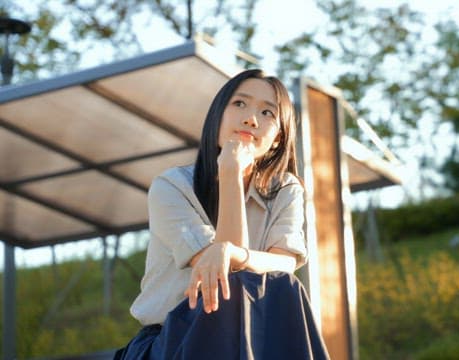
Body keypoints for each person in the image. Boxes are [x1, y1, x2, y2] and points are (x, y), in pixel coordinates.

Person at [115, 69, 329, 359]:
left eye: (267, 112)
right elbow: (221, 278)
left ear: (278, 139)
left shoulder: (285, 189)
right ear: (217, 117)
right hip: (172, 340)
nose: (251, 119)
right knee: (234, 292)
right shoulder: (172, 187)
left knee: (285, 288)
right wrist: (230, 173)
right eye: (239, 104)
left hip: (252, 336)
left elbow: (285, 264)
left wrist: (231, 251)